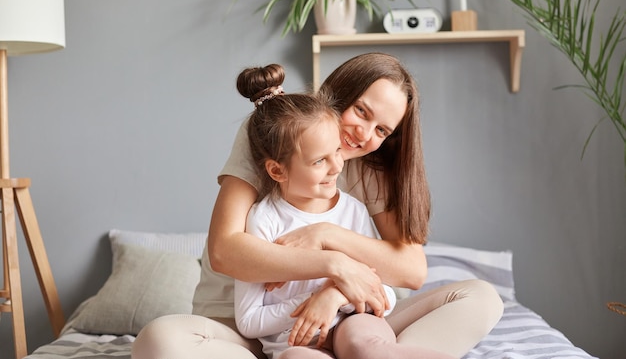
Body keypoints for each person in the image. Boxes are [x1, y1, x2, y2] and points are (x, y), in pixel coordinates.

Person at [132, 53, 503, 359]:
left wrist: (327, 246)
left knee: (482, 298)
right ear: (339, 94)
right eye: (361, 111)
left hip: (349, 323)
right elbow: (225, 251)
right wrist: (334, 264)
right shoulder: (277, 133)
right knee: (159, 340)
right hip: (246, 333)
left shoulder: (368, 172)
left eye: (382, 130)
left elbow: (410, 270)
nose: (364, 134)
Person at [232, 64, 411, 359]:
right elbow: (250, 321)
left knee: (367, 344)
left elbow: (383, 294)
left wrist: (334, 296)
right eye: (319, 161)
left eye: (337, 152)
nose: (337, 167)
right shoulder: (263, 219)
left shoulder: (353, 211)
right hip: (297, 344)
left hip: (353, 325)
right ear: (277, 170)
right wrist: (314, 299)